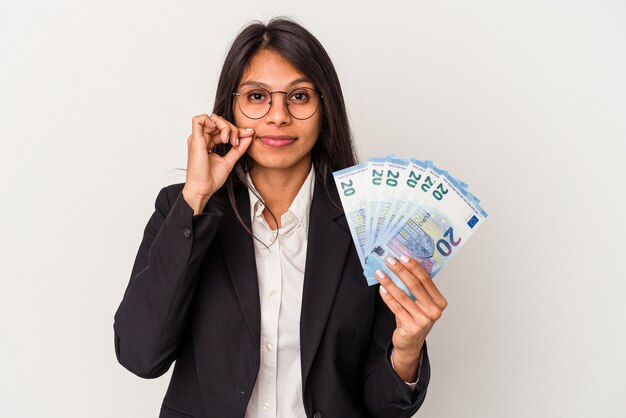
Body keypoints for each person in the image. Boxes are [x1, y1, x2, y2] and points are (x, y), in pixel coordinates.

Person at [113, 17, 447, 418]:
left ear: (325, 108)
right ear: (231, 107)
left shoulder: (370, 224)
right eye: (257, 97)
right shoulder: (183, 209)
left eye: (299, 97)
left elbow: (382, 405)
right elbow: (140, 355)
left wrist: (407, 350)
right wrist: (197, 197)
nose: (278, 116)